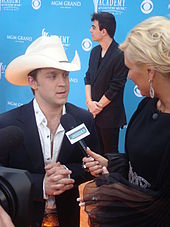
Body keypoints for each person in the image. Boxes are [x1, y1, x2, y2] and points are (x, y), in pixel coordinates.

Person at [0, 35, 100, 227]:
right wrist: (40, 185)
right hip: (21, 219)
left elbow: (92, 165)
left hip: (68, 218)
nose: (63, 83)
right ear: (32, 82)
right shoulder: (7, 123)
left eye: (65, 75)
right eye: (52, 76)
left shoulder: (83, 119)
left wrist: (67, 173)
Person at [80, 16, 170, 226]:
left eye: (130, 68)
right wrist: (110, 164)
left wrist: (117, 191)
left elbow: (162, 207)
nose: (128, 76)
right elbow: (138, 163)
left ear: (150, 71)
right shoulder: (147, 105)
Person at [84, 12, 128, 154]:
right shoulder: (94, 52)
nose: (90, 30)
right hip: (93, 113)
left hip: (110, 116)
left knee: (110, 155)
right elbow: (88, 78)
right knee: (96, 152)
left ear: (104, 31)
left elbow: (115, 86)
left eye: (93, 27)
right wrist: (90, 102)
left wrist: (98, 107)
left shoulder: (120, 54)